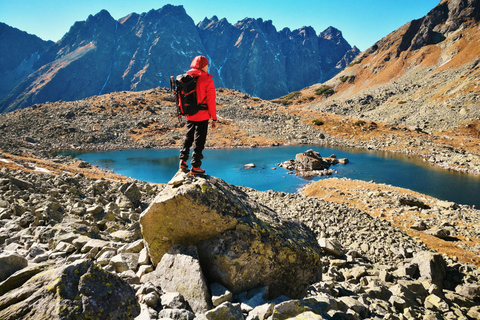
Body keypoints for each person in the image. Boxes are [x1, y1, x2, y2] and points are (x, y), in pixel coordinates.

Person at [179, 55, 218, 174]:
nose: (208, 67)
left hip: (189, 114)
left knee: (188, 137)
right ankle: (195, 166)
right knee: (199, 140)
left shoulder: (186, 77)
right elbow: (211, 101)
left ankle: (183, 161)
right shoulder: (207, 80)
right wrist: (214, 119)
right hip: (203, 115)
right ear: (202, 66)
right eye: (207, 65)